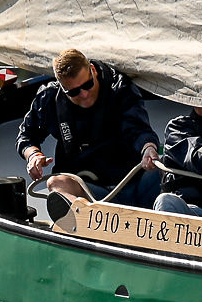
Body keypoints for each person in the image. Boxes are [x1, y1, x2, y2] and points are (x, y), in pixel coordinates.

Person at [17, 48, 161, 206]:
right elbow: (26, 136)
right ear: (62, 87)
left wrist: (148, 149)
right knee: (55, 183)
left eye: (87, 84)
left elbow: (138, 129)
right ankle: (81, 215)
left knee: (164, 167)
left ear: (93, 70)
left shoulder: (119, 88)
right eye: (74, 92)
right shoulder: (49, 98)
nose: (84, 94)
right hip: (88, 192)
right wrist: (33, 156)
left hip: (132, 184)